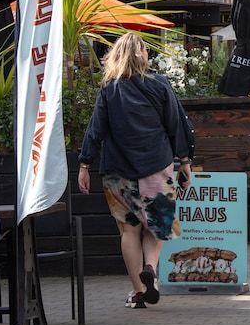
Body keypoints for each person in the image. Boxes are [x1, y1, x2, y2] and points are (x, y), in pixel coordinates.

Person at [78, 33, 195, 310]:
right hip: (156, 166)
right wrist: (186, 160)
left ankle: (139, 291)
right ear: (142, 55)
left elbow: (96, 130)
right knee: (156, 224)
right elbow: (176, 124)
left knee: (128, 229)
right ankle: (151, 270)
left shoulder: (109, 89)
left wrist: (84, 164)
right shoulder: (160, 85)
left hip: (118, 172)